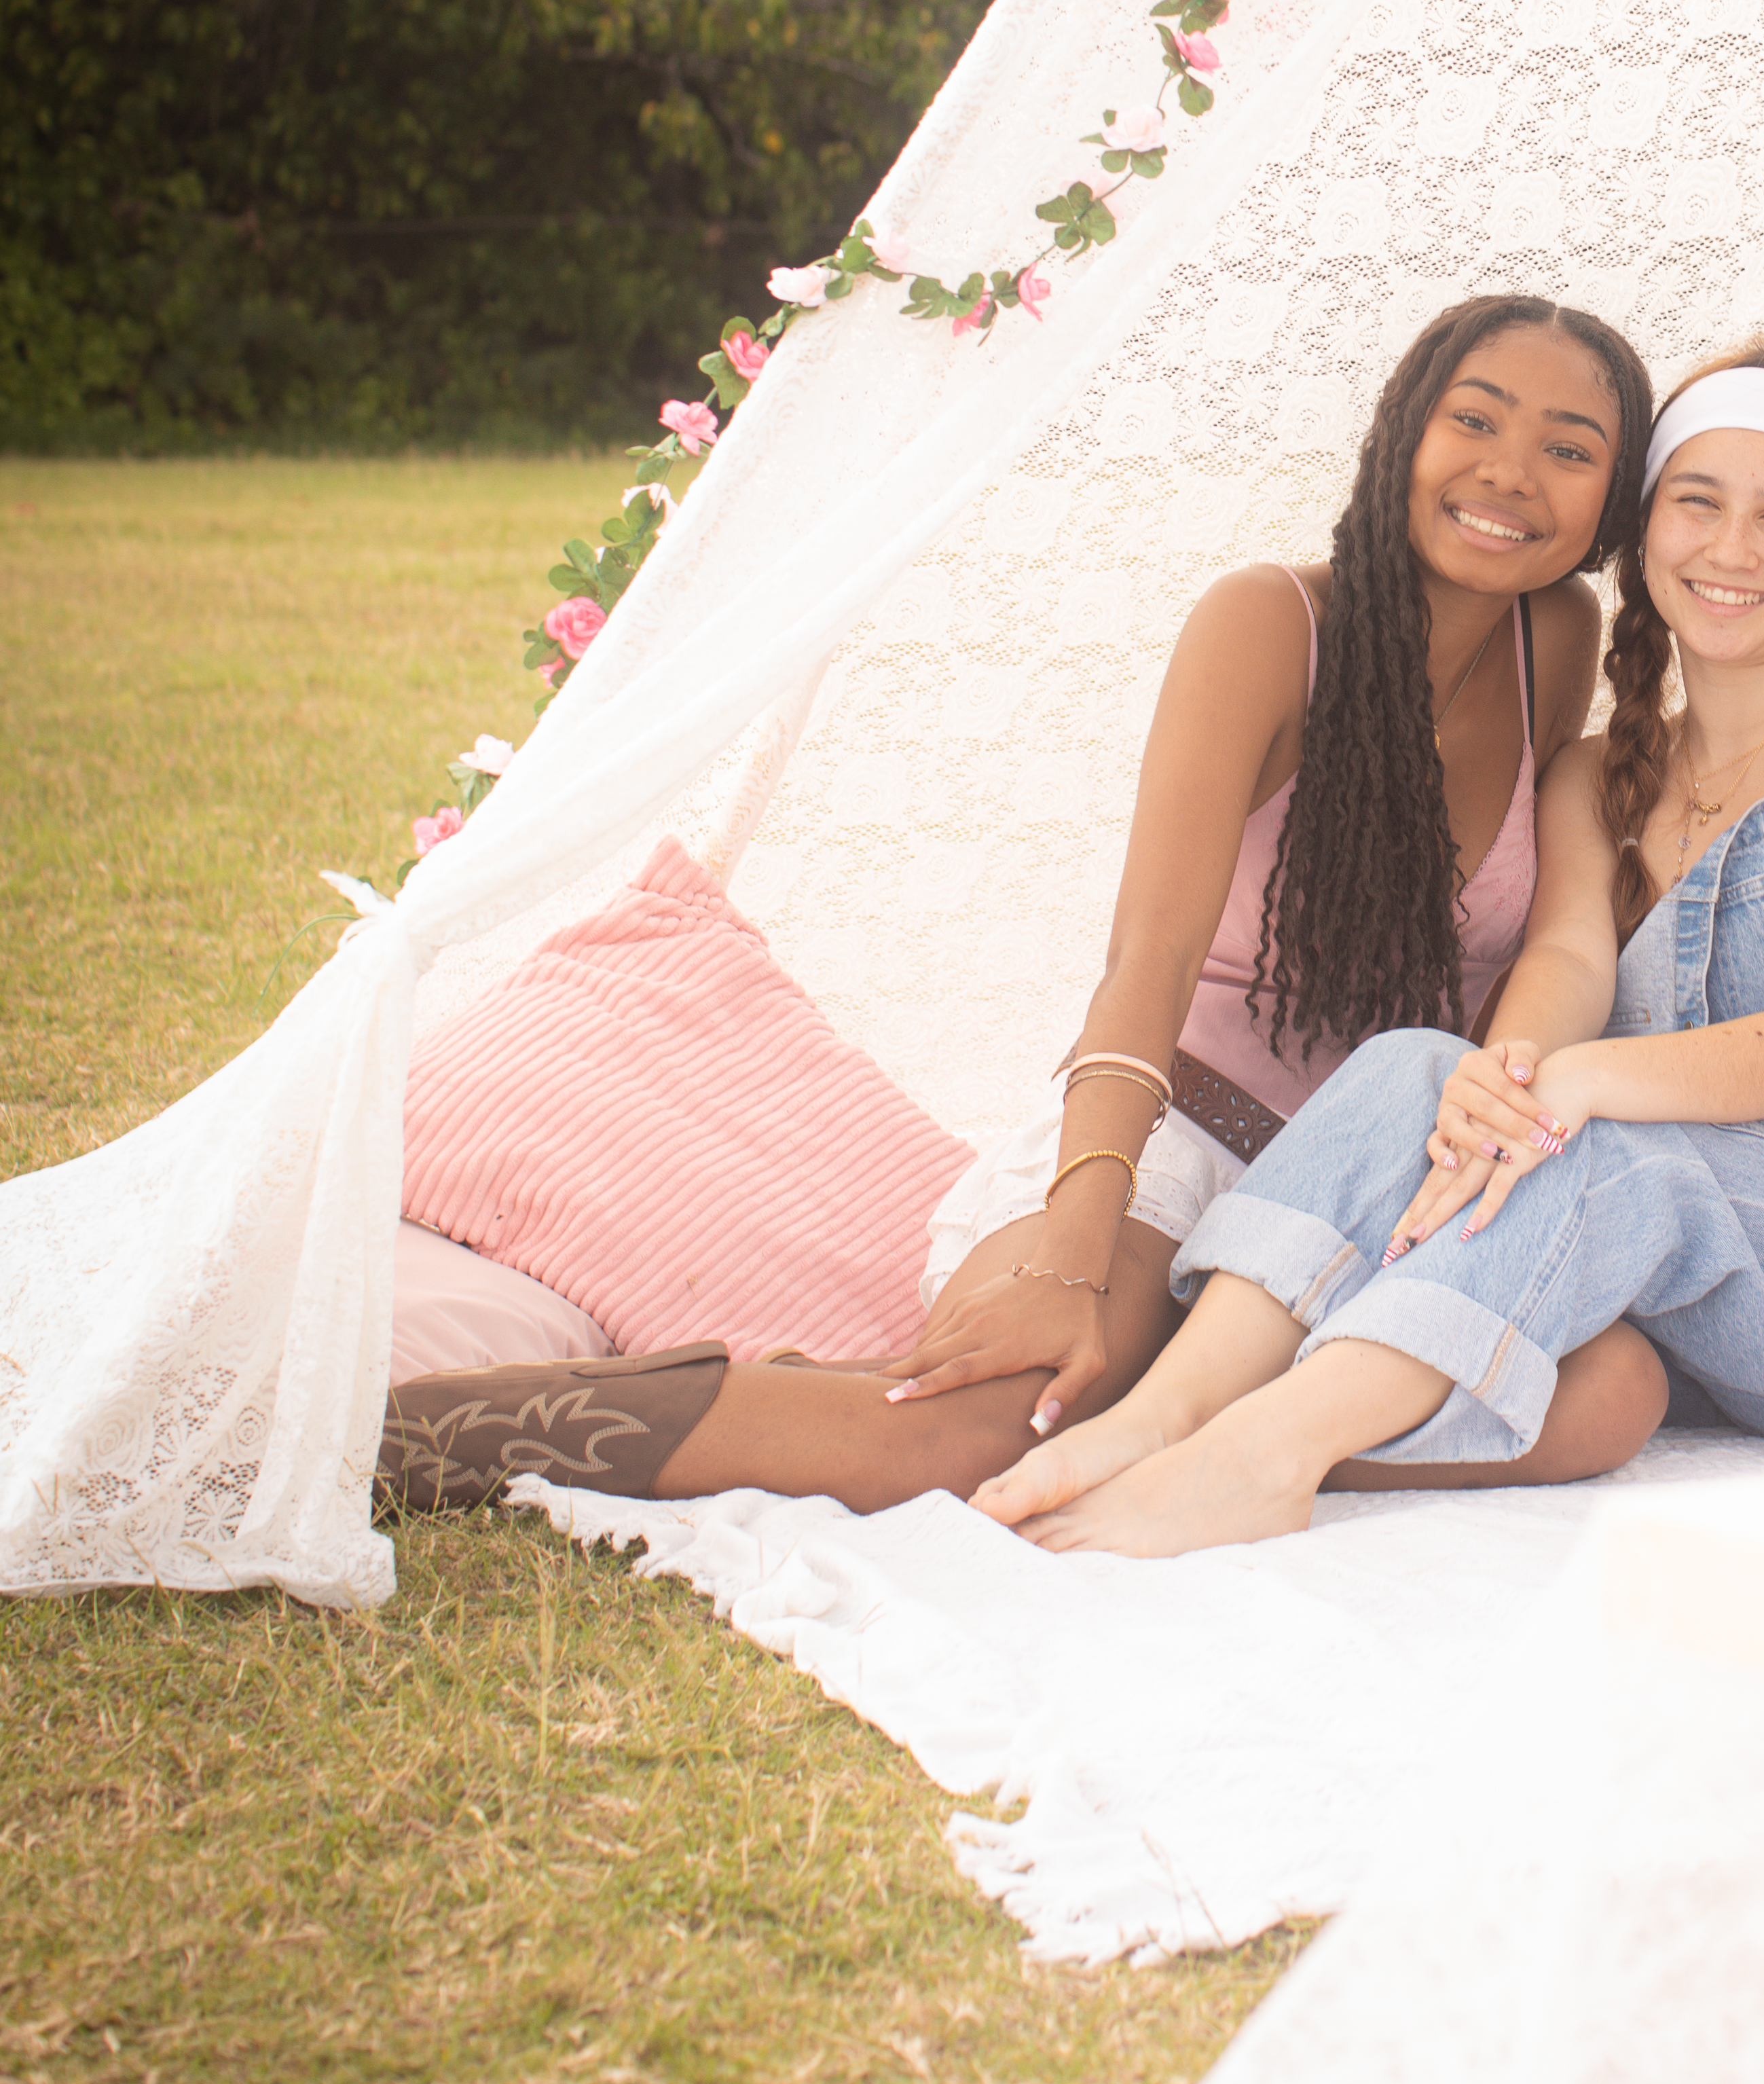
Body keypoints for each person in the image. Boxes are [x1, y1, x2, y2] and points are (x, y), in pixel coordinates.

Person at [378, 292, 1666, 1520]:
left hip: (1359, 1190)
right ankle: (466, 1428)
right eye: (1477, 419)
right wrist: (1070, 1244)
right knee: (977, 1432)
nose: (1510, 471)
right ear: (1405, 432)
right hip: (1176, 1141)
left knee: (1606, 1396)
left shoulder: (1552, 637)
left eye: (1568, 447)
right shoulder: (1270, 624)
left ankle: (1187, 1426)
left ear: (1611, 500)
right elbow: (1146, 961)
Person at [968, 342, 1764, 1558]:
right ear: (1646, 529)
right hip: (1692, 1305)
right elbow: (1566, 964)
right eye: (1697, 504)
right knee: (1426, 1062)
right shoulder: (1598, 773)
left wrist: (1562, 1088)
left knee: (1608, 1137)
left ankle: (1267, 1456)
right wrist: (1501, 1077)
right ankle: (1164, 1418)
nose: (1731, 551)